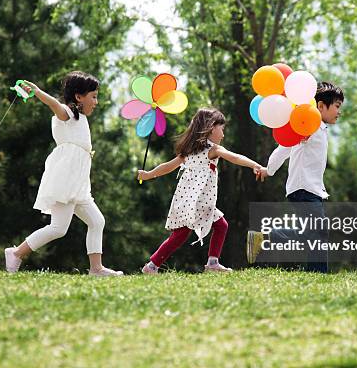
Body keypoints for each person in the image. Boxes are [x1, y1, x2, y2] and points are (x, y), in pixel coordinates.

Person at [4, 71, 122, 276]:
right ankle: (16, 253)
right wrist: (38, 92)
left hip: (79, 183)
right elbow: (55, 106)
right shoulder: (67, 113)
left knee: (97, 221)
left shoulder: (81, 118)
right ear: (78, 97)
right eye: (93, 96)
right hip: (67, 179)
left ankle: (96, 268)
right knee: (58, 228)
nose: (96, 101)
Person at [138, 108, 262, 274]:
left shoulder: (189, 151)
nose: (223, 134)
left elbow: (168, 166)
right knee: (186, 233)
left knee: (212, 227)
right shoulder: (213, 150)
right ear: (212, 128)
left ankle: (209, 263)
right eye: (222, 129)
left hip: (192, 200)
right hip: (198, 201)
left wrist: (149, 174)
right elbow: (235, 157)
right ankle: (153, 266)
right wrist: (255, 165)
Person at [250, 82, 344, 272]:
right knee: (319, 231)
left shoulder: (319, 127)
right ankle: (270, 238)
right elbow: (284, 146)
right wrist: (269, 170)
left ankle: (315, 272)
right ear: (320, 106)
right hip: (303, 188)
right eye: (337, 106)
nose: (339, 111)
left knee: (315, 232)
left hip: (312, 189)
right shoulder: (308, 124)